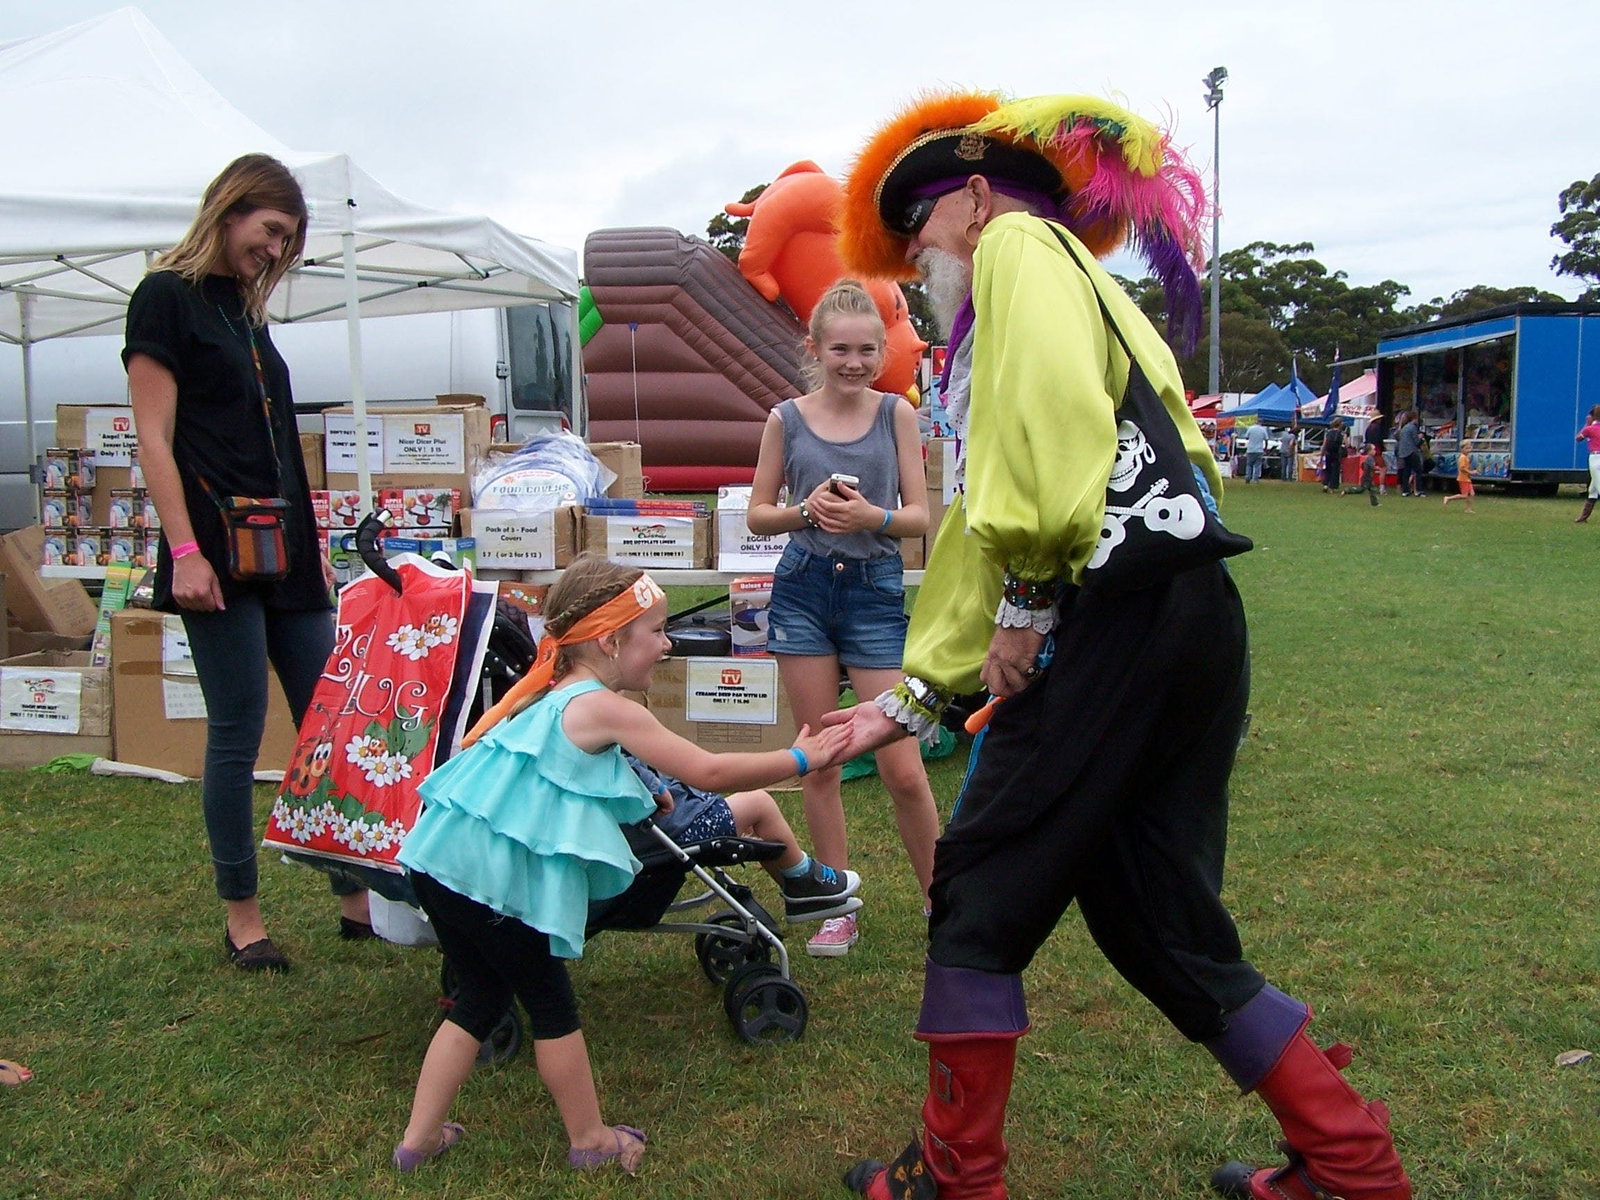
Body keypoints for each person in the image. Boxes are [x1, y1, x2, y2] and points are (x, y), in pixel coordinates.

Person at [826, 89, 1411, 1200]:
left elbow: (1051, 449)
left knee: (982, 885)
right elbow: (983, 513)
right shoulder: (1065, 285)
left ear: (978, 195)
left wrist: (1032, 601)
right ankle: (1351, 1165)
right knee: (1156, 915)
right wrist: (918, 692)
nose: (915, 259)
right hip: (1180, 608)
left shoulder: (1017, 247)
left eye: (921, 230)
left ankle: (955, 1179)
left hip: (1107, 609)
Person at [391, 554, 851, 1175]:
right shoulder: (606, 708)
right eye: (657, 631)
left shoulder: (555, 697)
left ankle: (418, 1141)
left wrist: (649, 795)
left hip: (441, 865)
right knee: (552, 1011)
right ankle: (591, 1141)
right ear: (609, 640)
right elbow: (708, 773)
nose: (666, 645)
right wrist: (799, 758)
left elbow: (574, 777)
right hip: (493, 885)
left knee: (477, 998)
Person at [123, 154, 367, 973]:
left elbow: (276, 447)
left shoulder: (246, 315)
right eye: (270, 232)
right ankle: (243, 920)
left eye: (288, 241)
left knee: (329, 722)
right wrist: (185, 551)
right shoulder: (165, 298)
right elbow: (154, 439)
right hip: (214, 557)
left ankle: (357, 896)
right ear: (230, 211)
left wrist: (317, 553)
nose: (276, 250)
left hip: (288, 553)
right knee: (235, 731)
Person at [746, 280, 941, 958]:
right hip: (802, 591)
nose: (853, 363)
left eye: (865, 350)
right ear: (815, 349)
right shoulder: (786, 419)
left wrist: (872, 518)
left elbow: (919, 517)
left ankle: (941, 899)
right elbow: (758, 514)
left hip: (872, 591)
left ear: (883, 350)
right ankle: (836, 906)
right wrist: (808, 513)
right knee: (818, 760)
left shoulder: (897, 414)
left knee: (903, 767)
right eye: (840, 350)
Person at [622, 753, 864, 925]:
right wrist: (657, 788)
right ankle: (802, 880)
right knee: (758, 804)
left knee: (742, 810)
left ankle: (801, 884)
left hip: (650, 833)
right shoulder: (604, 714)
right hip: (672, 831)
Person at [1574, 405, 1600, 522]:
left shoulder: (1589, 429)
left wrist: (1587, 424)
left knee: (1598, 486)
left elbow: (1578, 438)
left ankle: (1583, 517)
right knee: (1593, 489)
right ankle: (1583, 517)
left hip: (1595, 458)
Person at [1441, 441, 1476, 512]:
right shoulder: (1462, 457)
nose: (1468, 450)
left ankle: (1468, 509)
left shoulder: (1466, 457)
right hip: (1463, 479)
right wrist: (1471, 472)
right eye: (1467, 448)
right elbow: (1462, 468)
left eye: (1469, 448)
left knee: (1472, 493)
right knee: (1464, 495)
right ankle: (1448, 498)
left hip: (1467, 478)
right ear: (1462, 449)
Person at [1321, 417, 1348, 493]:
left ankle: (1325, 484)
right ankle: (1332, 487)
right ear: (1340, 425)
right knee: (1335, 470)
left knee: (1328, 469)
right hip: (1336, 453)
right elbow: (1347, 444)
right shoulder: (1342, 434)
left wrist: (1322, 453)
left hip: (1328, 452)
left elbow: (1324, 444)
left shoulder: (1328, 432)